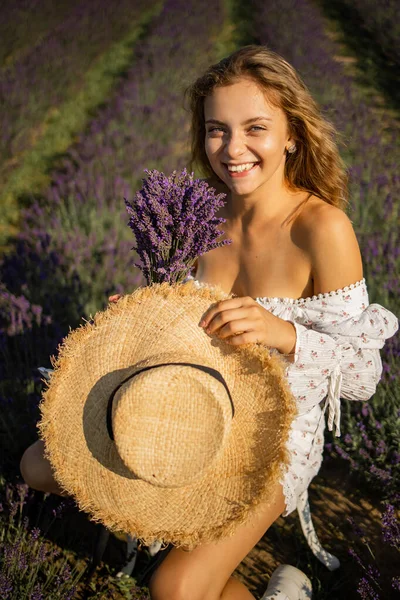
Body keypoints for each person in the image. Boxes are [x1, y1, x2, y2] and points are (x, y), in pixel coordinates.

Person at [20, 45, 398, 600]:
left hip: (273, 439)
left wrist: (282, 333)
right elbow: (185, 327)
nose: (233, 148)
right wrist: (143, 317)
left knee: (175, 589)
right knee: (38, 466)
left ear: (292, 133)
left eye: (255, 128)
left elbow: (364, 375)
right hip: (189, 404)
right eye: (216, 129)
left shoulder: (321, 228)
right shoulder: (200, 216)